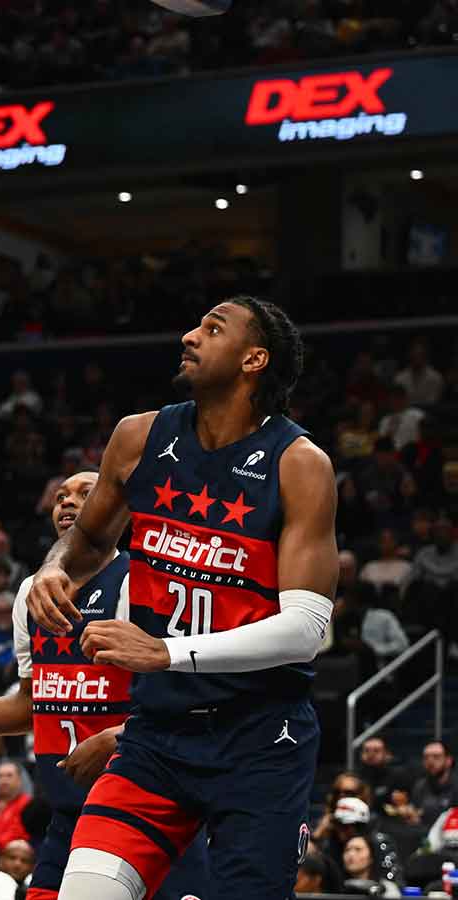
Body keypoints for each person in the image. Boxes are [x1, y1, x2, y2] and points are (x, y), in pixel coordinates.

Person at [25, 298, 338, 900]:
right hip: (157, 735)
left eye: (212, 328)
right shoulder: (139, 435)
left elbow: (307, 629)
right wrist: (52, 568)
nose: (189, 335)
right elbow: (87, 540)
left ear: (254, 358)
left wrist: (167, 653)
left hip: (261, 738)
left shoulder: (300, 464)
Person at [0, 469, 209, 900]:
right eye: (61, 495)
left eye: (87, 493)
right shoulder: (31, 592)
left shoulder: (135, 582)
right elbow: (31, 705)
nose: (68, 501)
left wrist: (115, 738)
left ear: (118, 510)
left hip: (144, 807)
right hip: (67, 810)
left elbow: (186, 704)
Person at [414, 741, 456, 824]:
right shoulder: (420, 786)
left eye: (436, 757)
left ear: (448, 761)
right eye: (426, 757)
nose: (430, 761)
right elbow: (416, 813)